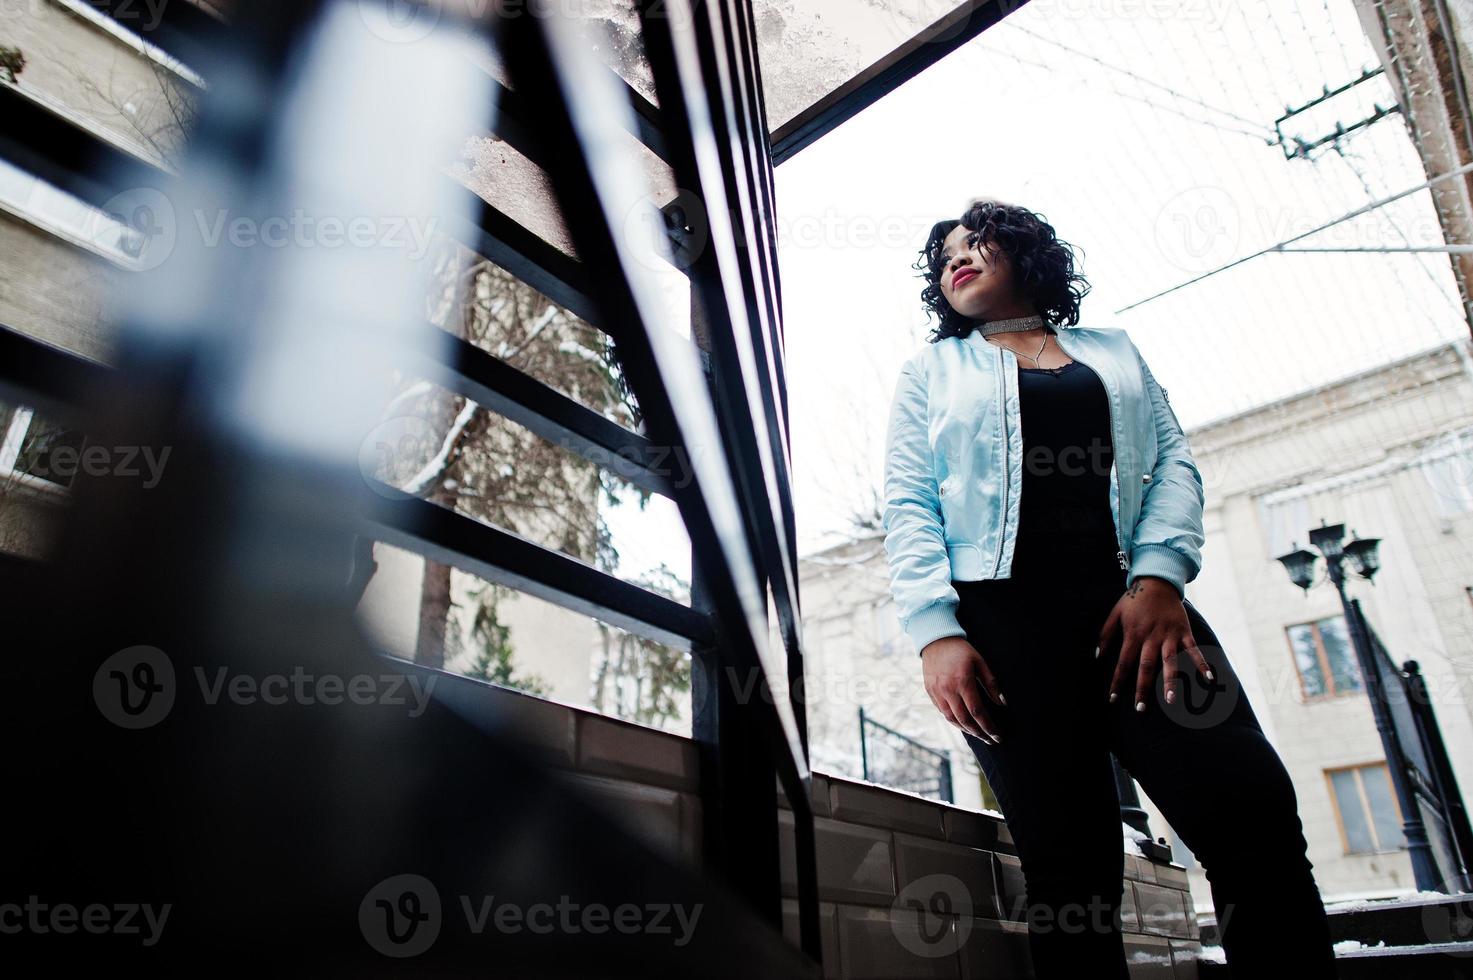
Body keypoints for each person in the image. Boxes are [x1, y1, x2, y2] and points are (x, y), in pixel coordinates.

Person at [881, 199, 1339, 978]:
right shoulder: (931, 372)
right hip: (1002, 630)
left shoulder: (1114, 352)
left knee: (1251, 811)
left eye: (976, 242)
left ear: (1026, 254)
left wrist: (1159, 577)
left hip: (1139, 616)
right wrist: (936, 630)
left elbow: (1173, 466)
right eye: (945, 254)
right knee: (1069, 867)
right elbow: (909, 501)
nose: (956, 257)